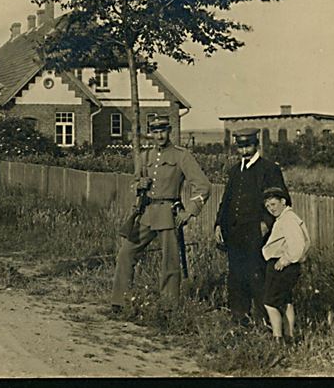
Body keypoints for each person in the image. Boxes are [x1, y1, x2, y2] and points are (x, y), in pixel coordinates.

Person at [111, 117, 211, 312]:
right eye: (155, 132)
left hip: (168, 214)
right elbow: (134, 181)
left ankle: (168, 307)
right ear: (151, 133)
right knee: (126, 253)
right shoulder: (145, 156)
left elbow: (203, 186)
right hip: (146, 213)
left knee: (170, 262)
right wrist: (138, 185)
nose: (159, 136)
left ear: (169, 131)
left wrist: (189, 212)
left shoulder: (182, 156)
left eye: (162, 131)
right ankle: (120, 302)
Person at [214, 128, 291, 326]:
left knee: (257, 276)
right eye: (240, 147)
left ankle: (263, 322)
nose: (244, 151)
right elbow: (226, 201)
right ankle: (240, 319)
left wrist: (266, 223)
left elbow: (281, 200)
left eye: (247, 146)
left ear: (256, 145)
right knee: (236, 277)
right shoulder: (234, 171)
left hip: (257, 235)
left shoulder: (268, 169)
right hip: (235, 234)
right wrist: (218, 225)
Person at [261, 186, 310, 343]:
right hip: (288, 265)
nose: (270, 209)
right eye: (267, 206)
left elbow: (298, 244)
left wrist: (285, 259)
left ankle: (278, 338)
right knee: (286, 301)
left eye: (273, 204)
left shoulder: (288, 219)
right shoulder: (287, 218)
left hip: (281, 265)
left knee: (269, 302)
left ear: (283, 201)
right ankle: (289, 336)